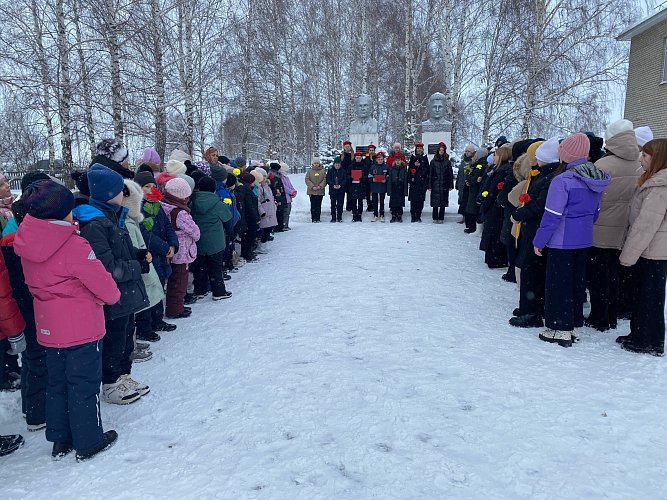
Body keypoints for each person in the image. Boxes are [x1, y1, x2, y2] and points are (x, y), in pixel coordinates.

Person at [15, 179, 120, 461]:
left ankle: (60, 439)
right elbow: (104, 286)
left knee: (57, 382)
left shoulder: (27, 240)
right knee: (84, 383)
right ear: (64, 212)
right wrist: (109, 297)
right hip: (81, 326)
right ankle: (88, 440)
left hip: (48, 324)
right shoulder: (72, 244)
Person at [73, 165, 150, 404]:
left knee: (127, 335)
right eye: (121, 191)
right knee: (114, 339)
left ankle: (124, 375)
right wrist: (137, 267)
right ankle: (111, 382)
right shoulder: (94, 224)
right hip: (113, 294)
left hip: (124, 292)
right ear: (108, 194)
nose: (125, 194)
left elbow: (120, 251)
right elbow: (107, 267)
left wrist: (137, 255)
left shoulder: (113, 216)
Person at [533, 133, 611, 347]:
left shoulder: (563, 181)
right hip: (584, 239)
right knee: (576, 283)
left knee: (558, 284)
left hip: (562, 240)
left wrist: (539, 241)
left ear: (565, 154)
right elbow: (595, 212)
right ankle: (574, 322)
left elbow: (552, 215)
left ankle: (560, 328)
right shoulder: (596, 177)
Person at [586, 120, 641, 332]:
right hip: (626, 228)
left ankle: (599, 317)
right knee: (616, 274)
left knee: (598, 275)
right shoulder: (640, 164)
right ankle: (613, 314)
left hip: (600, 228)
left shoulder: (601, 166)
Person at [617, 139, 667, 356]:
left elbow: (645, 226)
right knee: (641, 295)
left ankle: (649, 341)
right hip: (648, 250)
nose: (640, 158)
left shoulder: (659, 187)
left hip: (652, 252)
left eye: (645, 155)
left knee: (649, 298)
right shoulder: (653, 181)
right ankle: (638, 334)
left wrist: (627, 256)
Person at [509, 140, 559, 328]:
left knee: (532, 271)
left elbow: (539, 206)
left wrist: (519, 213)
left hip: (536, 230)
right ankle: (527, 307)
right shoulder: (544, 175)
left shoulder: (550, 178)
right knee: (529, 268)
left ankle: (532, 312)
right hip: (532, 229)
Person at [120, 180, 166, 362]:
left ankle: (142, 333)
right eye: (145, 186)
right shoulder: (128, 222)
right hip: (137, 265)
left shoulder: (135, 218)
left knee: (150, 292)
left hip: (145, 260)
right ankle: (138, 336)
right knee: (140, 300)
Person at [135, 171, 178, 334]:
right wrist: (164, 246)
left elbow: (167, 226)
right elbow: (143, 234)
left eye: (153, 186)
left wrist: (172, 244)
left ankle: (157, 320)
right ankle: (144, 326)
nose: (151, 189)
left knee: (159, 286)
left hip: (161, 255)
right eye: (147, 186)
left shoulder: (157, 205)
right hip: (148, 255)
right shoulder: (137, 207)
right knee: (148, 289)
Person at [161, 178, 200, 319]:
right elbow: (194, 231)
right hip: (182, 251)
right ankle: (175, 309)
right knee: (179, 281)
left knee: (174, 280)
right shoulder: (180, 213)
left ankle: (175, 305)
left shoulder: (164, 206)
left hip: (171, 249)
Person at [191, 176, 233, 300]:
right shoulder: (217, 203)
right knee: (216, 267)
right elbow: (227, 219)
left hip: (198, 240)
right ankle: (218, 291)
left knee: (200, 267)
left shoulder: (192, 202)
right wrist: (229, 234)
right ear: (213, 189)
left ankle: (200, 290)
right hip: (215, 241)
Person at [480, 145, 512, 267]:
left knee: (493, 234)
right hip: (496, 209)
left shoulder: (500, 173)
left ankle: (495, 259)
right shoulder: (501, 170)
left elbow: (492, 192)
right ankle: (495, 257)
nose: (493, 157)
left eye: (496, 155)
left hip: (495, 209)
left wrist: (485, 205)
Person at [237, 172, 261, 261]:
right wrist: (256, 218)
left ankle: (247, 252)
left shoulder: (246, 189)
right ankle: (247, 253)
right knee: (249, 236)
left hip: (248, 217)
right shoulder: (247, 190)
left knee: (248, 236)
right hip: (249, 218)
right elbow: (250, 206)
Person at [463, 147, 488, 233]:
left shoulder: (480, 165)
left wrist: (468, 177)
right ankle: (472, 227)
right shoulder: (479, 164)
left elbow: (475, 179)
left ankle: (472, 227)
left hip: (475, 191)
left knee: (472, 209)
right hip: (474, 190)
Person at [428, 142, 454, 223]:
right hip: (435, 183)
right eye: (440, 150)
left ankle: (441, 217)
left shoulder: (447, 162)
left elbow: (450, 174)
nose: (441, 151)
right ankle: (435, 217)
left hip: (444, 184)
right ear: (438, 151)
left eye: (443, 150)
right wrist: (429, 185)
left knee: (443, 201)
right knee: (435, 202)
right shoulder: (433, 161)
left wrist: (450, 184)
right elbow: (430, 174)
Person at [407, 143, 429, 223]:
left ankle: (418, 216)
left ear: (422, 149)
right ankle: (413, 216)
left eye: (420, 148)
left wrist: (421, 166)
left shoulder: (425, 158)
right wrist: (414, 167)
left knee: (420, 201)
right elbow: (410, 170)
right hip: (414, 183)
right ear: (416, 149)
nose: (419, 149)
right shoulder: (412, 158)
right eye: (418, 148)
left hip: (422, 183)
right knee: (413, 201)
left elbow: (427, 170)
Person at [457, 145, 476, 223]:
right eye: (466, 151)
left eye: (468, 151)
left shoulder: (473, 161)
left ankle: (467, 218)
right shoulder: (463, 161)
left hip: (468, 184)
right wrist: (457, 183)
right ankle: (463, 216)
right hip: (462, 184)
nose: (466, 153)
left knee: (467, 201)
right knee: (462, 200)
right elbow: (459, 173)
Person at [305, 156, 327, 222]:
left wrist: (320, 186)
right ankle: (313, 218)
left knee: (318, 205)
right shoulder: (309, 171)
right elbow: (307, 179)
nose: (316, 164)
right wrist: (312, 186)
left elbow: (325, 179)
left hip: (320, 191)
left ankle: (318, 218)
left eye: (317, 163)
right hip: (312, 191)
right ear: (313, 164)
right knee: (313, 205)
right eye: (315, 163)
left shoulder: (323, 171)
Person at [369, 151, 389, 222]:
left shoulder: (386, 167)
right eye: (379, 159)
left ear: (383, 159)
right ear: (376, 160)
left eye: (381, 159)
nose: (380, 160)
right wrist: (372, 179)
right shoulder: (373, 167)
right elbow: (369, 175)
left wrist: (386, 179)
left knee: (382, 201)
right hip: (374, 186)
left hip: (382, 186)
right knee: (374, 201)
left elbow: (388, 176)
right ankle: (375, 214)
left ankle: (382, 214)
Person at [348, 152, 368, 222]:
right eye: (357, 158)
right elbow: (348, 175)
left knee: (360, 201)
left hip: (361, 186)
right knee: (353, 201)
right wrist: (351, 177)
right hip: (353, 186)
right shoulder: (351, 166)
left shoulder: (364, 166)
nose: (358, 159)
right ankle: (354, 214)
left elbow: (366, 176)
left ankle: (359, 214)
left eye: (360, 158)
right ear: (355, 158)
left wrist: (361, 178)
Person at [387, 156, 408, 222]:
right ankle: (393, 215)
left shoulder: (404, 169)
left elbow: (405, 180)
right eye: (396, 160)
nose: (398, 162)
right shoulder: (392, 169)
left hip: (400, 187)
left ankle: (399, 215)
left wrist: (405, 190)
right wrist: (389, 190)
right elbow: (390, 179)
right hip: (394, 187)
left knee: (400, 202)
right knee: (393, 203)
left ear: (401, 161)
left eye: (399, 160)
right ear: (394, 161)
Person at [327, 157, 347, 222]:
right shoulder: (330, 171)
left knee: (340, 204)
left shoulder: (343, 171)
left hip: (341, 190)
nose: (337, 166)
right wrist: (333, 185)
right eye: (336, 165)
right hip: (333, 190)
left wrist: (340, 185)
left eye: (338, 165)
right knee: (333, 204)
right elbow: (328, 179)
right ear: (334, 164)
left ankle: (339, 217)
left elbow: (345, 179)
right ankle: (333, 217)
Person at [268, 162, 287, 231]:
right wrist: (278, 193)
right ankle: (278, 226)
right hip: (278, 196)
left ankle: (278, 226)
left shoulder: (272, 176)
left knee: (278, 212)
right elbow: (276, 187)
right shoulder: (275, 177)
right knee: (279, 212)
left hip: (277, 196)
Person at [279, 162, 297, 230]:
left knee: (288, 212)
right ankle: (283, 225)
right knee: (285, 212)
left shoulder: (286, 177)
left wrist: (293, 191)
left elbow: (290, 185)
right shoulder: (281, 178)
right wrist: (291, 192)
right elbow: (284, 187)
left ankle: (286, 224)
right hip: (285, 197)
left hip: (288, 197)